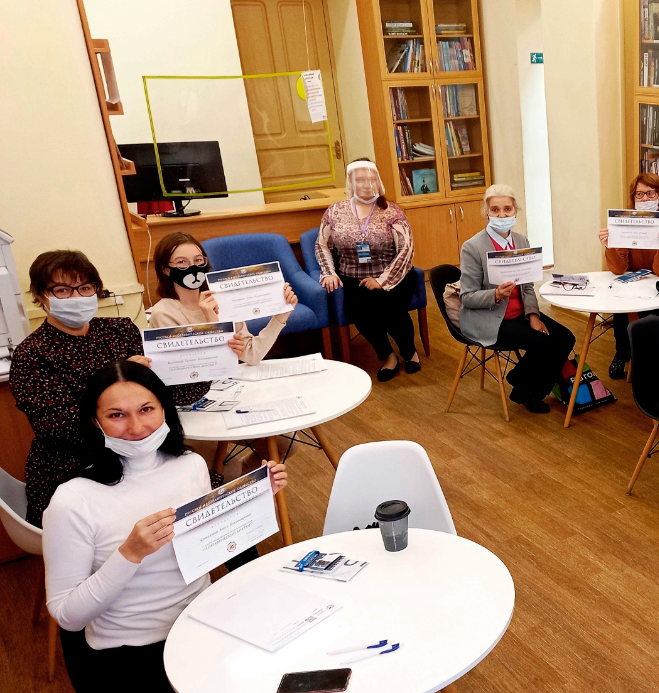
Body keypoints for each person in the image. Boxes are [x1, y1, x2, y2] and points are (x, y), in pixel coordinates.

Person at [43, 360, 349, 693]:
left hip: (206, 620)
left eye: (146, 409)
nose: (136, 427)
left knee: (308, 667)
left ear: (165, 409)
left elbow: (210, 546)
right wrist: (129, 555)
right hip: (135, 654)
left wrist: (251, 497)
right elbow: (68, 616)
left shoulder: (189, 465)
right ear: (95, 421)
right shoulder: (73, 500)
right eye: (116, 415)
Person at [10, 250, 154, 527]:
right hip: (74, 468)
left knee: (200, 490)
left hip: (137, 455)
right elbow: (60, 429)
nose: (77, 297)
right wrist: (118, 383)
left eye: (85, 288)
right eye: (63, 290)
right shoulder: (32, 355)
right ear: (41, 295)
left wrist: (210, 360)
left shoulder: (121, 331)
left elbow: (170, 397)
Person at [458, 184, 575, 413]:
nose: (502, 215)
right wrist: (495, 294)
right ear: (486, 212)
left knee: (565, 338)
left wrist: (533, 315)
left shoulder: (521, 242)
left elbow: (527, 285)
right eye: (495, 210)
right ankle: (530, 392)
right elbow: (467, 297)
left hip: (520, 313)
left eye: (507, 209)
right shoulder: (472, 247)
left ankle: (521, 383)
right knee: (544, 344)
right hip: (490, 318)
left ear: (515, 212)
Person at [314, 158, 421, 381]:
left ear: (378, 180)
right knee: (359, 312)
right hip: (353, 278)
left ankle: (410, 352)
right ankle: (388, 356)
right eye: (360, 179)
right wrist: (329, 272)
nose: (366, 184)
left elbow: (406, 248)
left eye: (371, 179)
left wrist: (382, 280)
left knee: (391, 309)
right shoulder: (335, 211)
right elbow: (322, 245)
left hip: (393, 276)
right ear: (351, 181)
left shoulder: (392, 211)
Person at [598, 172, 659, 379]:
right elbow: (618, 269)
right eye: (639, 194)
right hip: (638, 282)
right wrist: (609, 246)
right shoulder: (624, 222)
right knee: (621, 307)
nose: (645, 199)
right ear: (633, 197)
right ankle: (622, 353)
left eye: (651, 194)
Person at [148, 231, 298, 364]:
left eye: (198, 260)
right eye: (182, 262)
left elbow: (252, 356)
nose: (192, 267)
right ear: (165, 270)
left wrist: (281, 316)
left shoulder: (223, 300)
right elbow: (195, 368)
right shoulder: (164, 313)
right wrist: (213, 325)